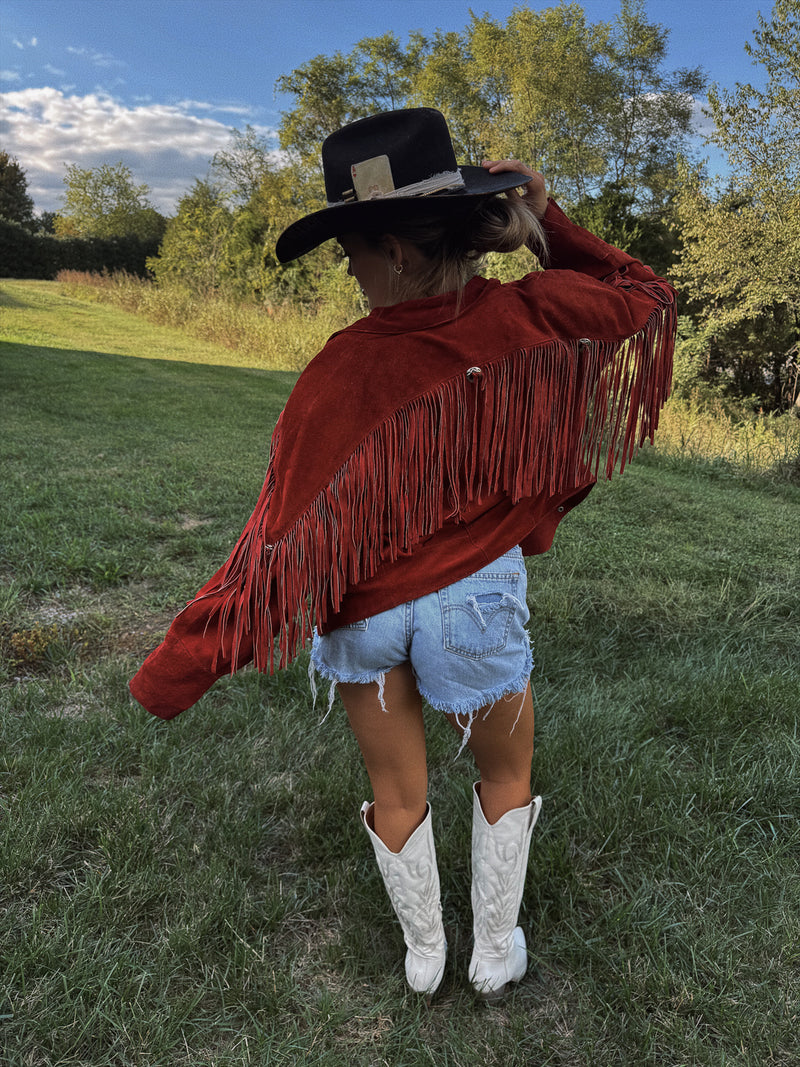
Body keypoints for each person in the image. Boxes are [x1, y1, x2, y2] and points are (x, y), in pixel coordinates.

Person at [130, 108, 675, 1001]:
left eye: (349, 246)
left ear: (389, 245)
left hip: (367, 620)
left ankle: (425, 955)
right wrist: (553, 222)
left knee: (398, 787)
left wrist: (180, 662)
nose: (346, 266)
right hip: (477, 602)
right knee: (505, 773)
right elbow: (648, 296)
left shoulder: (339, 370)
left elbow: (277, 546)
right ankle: (494, 950)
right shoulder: (531, 316)